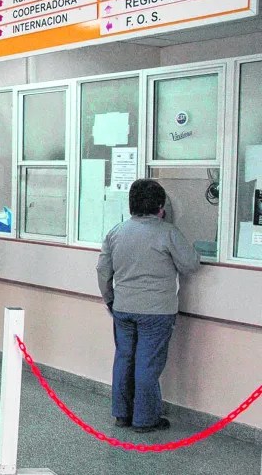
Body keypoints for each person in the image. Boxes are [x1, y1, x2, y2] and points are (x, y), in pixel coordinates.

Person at [97, 179, 201, 433]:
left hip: (123, 307)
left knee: (124, 359)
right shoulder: (168, 232)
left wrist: (110, 298)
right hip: (157, 311)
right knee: (147, 364)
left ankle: (122, 413)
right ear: (160, 207)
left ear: (131, 204)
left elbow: (102, 270)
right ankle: (145, 419)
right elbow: (190, 265)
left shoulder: (116, 232)